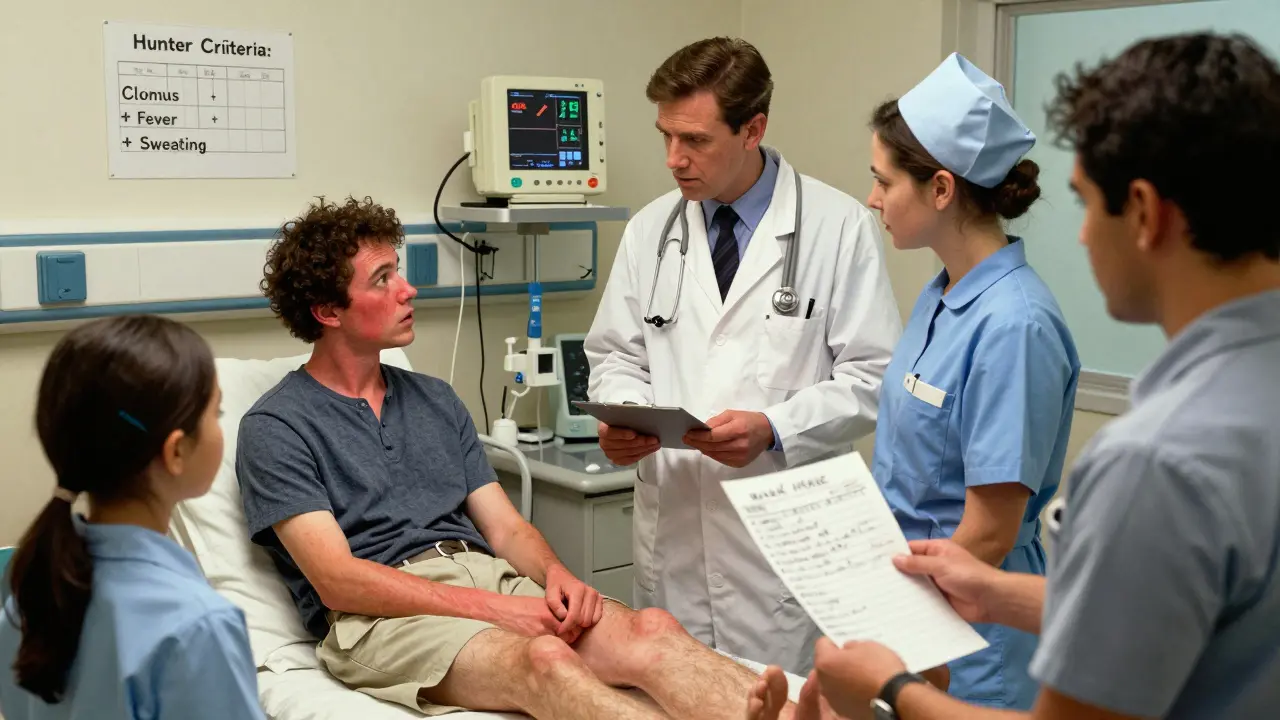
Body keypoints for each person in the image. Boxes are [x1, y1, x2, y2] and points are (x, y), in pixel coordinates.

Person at [750, 31, 1280, 720]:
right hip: (940, 600)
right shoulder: (1245, 399)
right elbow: (1165, 614)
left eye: (1087, 204)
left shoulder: (1149, 454)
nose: (1081, 235)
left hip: (970, 657)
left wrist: (894, 688)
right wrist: (979, 595)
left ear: (1146, 213)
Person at [236, 195, 801, 720]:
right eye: (383, 279)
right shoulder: (277, 426)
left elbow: (505, 530)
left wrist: (557, 575)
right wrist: (496, 610)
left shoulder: (435, 400)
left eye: (398, 271)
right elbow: (338, 581)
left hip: (488, 575)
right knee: (547, 661)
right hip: (383, 618)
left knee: (652, 630)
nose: (408, 290)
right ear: (327, 310)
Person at [585, 36, 902, 676]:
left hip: (779, 553)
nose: (674, 159)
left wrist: (774, 427)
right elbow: (616, 354)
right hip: (674, 543)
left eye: (695, 140)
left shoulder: (838, 227)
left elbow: (874, 377)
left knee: (779, 704)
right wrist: (626, 416)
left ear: (753, 129)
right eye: (665, 135)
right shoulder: (650, 231)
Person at [858, 53, 1080, 709]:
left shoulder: (1016, 326)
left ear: (941, 189)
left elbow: (988, 531)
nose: (873, 199)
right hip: (915, 602)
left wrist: (905, 620)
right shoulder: (941, 295)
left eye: (883, 181)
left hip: (972, 631)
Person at [0, 315, 262, 720]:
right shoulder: (197, 626)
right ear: (176, 451)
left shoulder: (30, 597)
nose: (221, 426)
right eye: (217, 412)